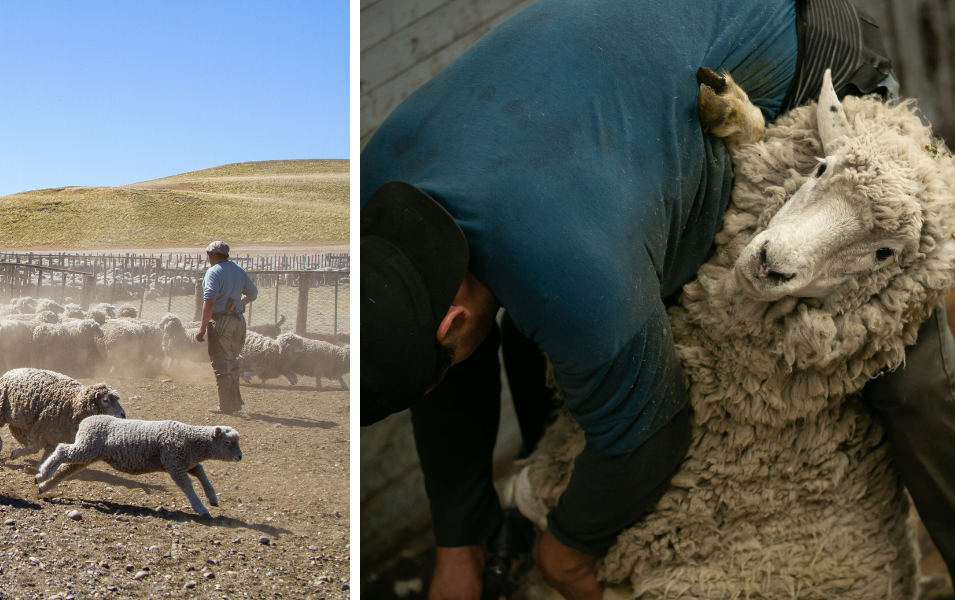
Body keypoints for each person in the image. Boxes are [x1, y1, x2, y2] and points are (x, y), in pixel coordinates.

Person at [360, 1, 953, 599]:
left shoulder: (566, 262)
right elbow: (435, 335)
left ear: (453, 320)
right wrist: (457, 544)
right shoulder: (378, 193)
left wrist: (566, 552)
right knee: (545, 344)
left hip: (806, 73)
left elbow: (646, 433)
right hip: (638, 87)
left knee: (913, 381)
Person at [194, 241, 258, 413]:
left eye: (208, 254)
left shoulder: (213, 272)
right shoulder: (238, 270)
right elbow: (253, 293)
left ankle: (225, 406)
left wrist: (202, 328)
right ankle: (235, 402)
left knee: (220, 362)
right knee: (232, 361)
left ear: (213, 255)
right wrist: (242, 303)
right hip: (238, 321)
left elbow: (210, 301)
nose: (208, 258)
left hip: (221, 321)